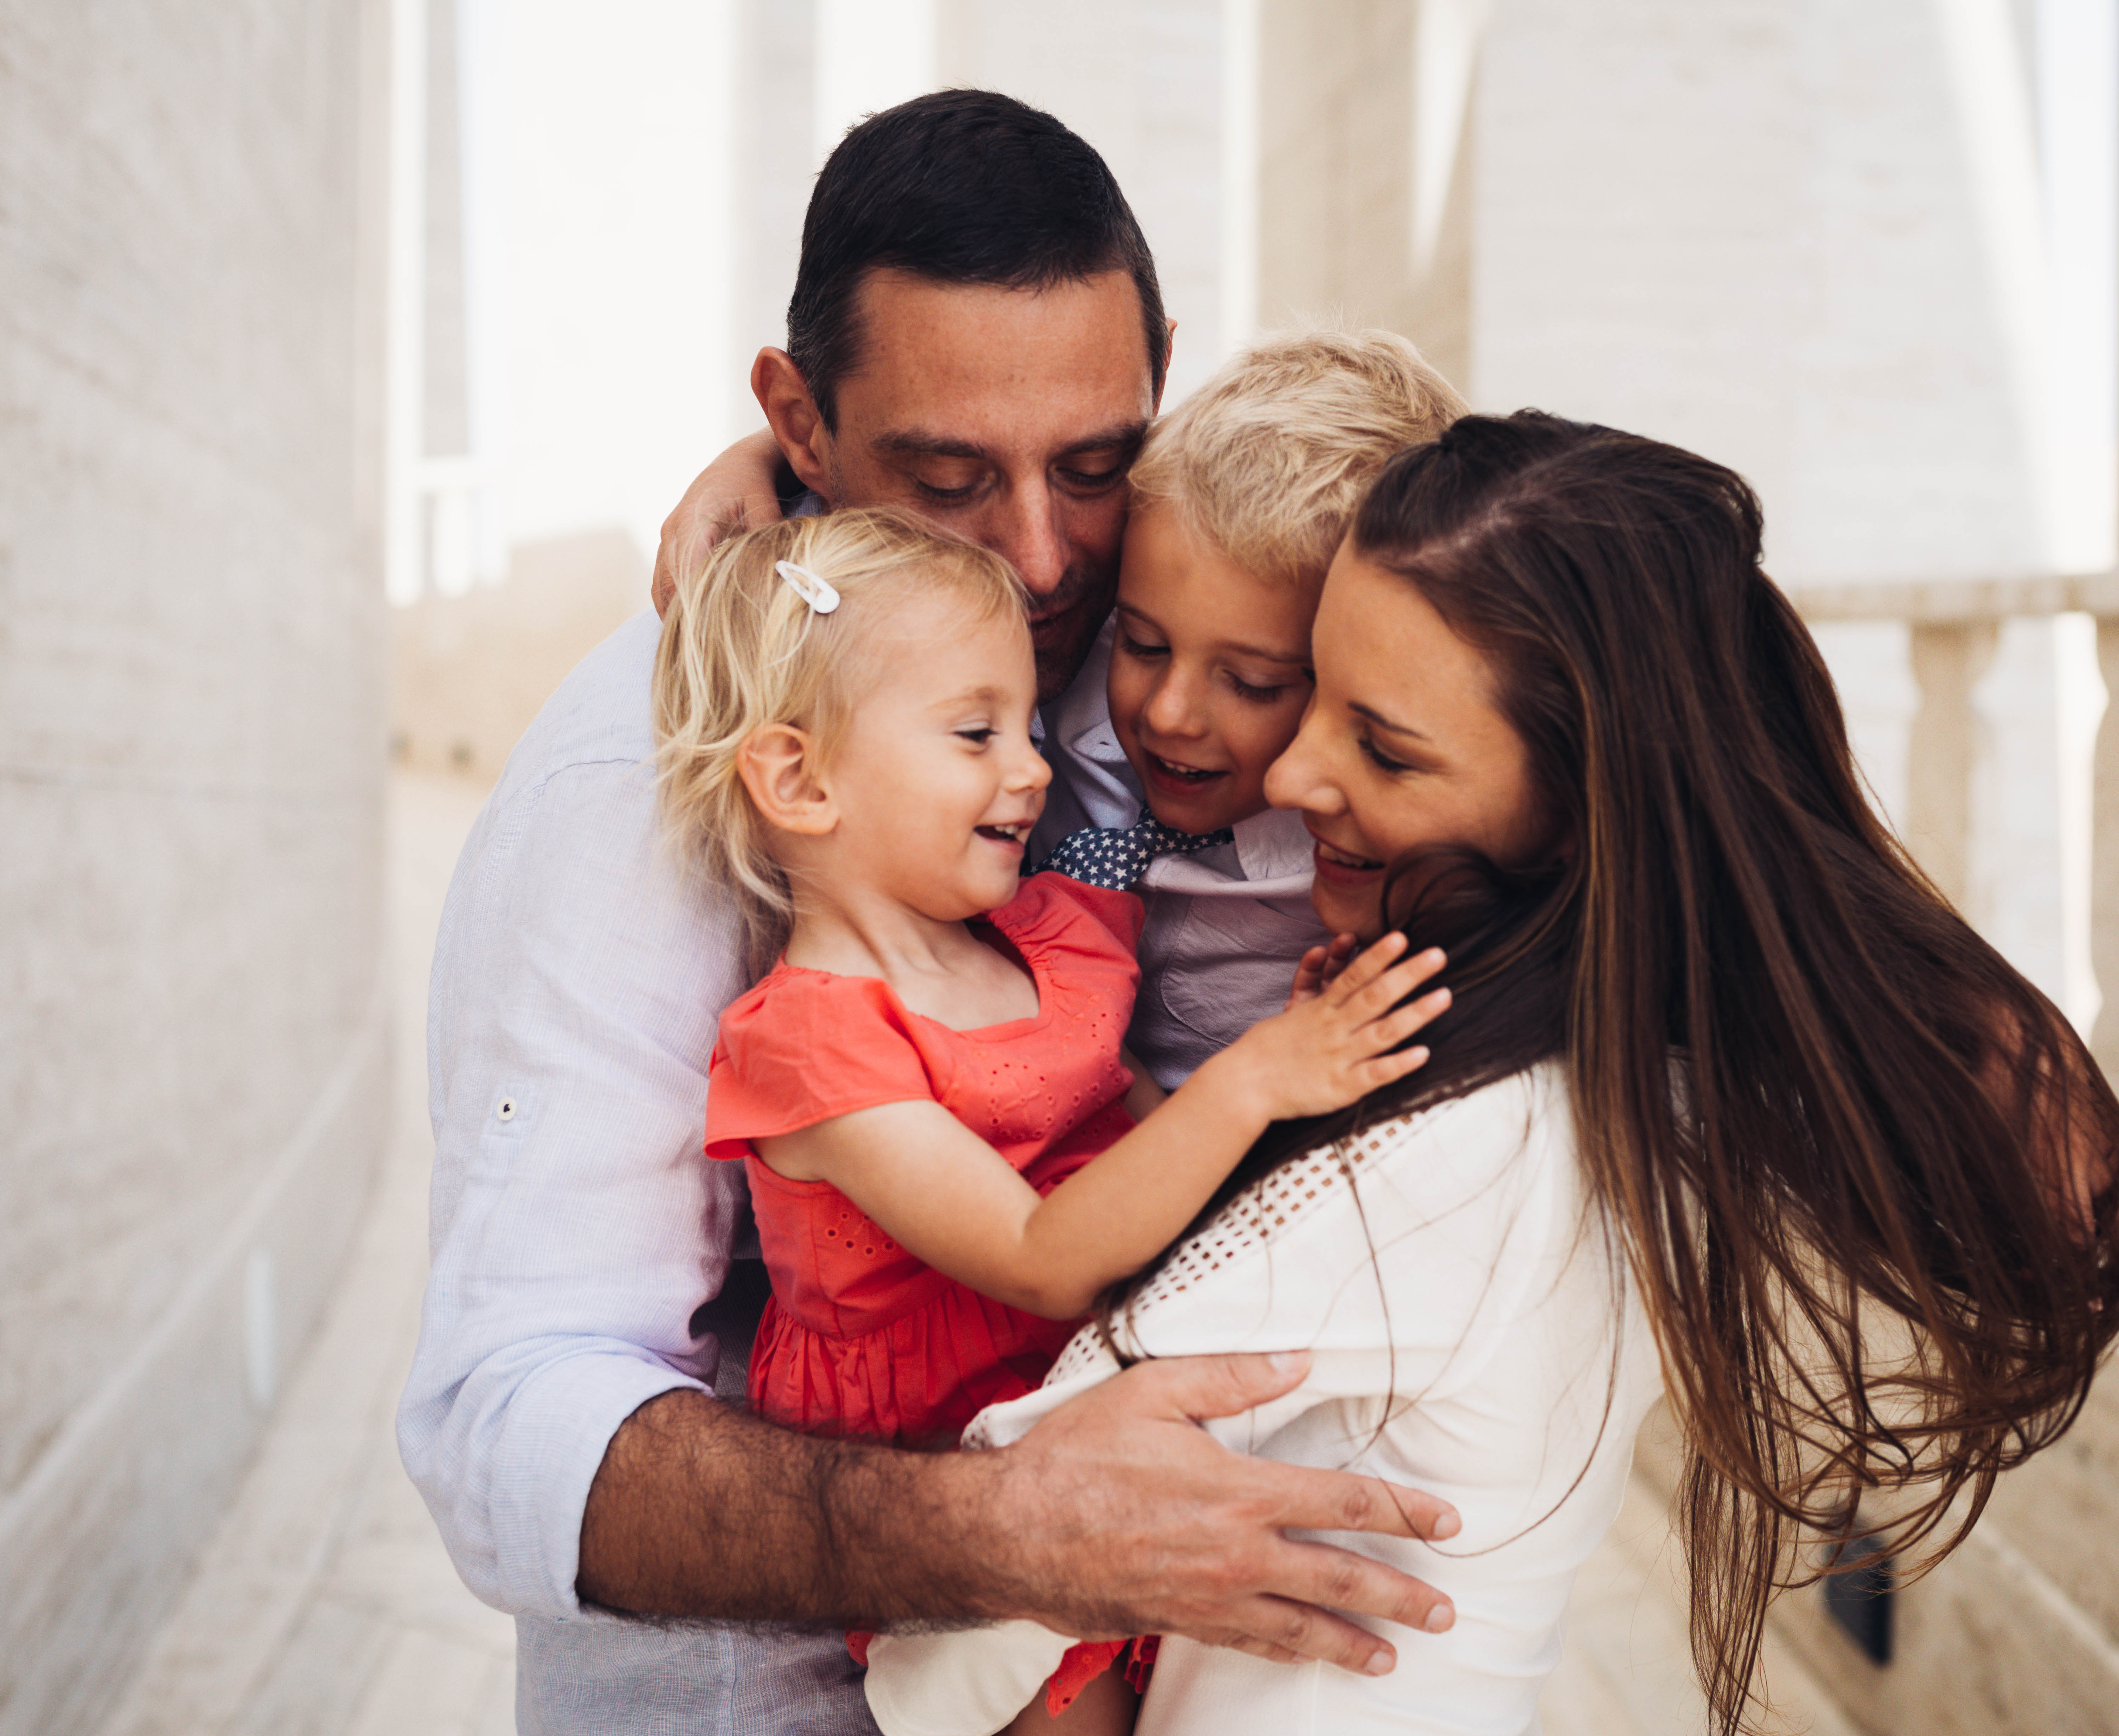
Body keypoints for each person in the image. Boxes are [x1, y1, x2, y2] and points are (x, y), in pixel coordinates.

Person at [399, 90, 1460, 1736]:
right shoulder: (633, 786)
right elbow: (507, 1417)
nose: (1039, 560)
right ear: (801, 424)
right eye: (948, 477)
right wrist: (1004, 1527)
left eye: (1095, 467)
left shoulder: (1148, 649)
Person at [860, 413, 2119, 1735]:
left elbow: (1022, 1545)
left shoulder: (1463, 1152)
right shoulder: (1651, 1082)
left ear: (1586, 807)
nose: (1294, 771)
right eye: (1315, 691)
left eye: (1384, 748)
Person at [651, 506, 1454, 1728]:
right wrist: (1256, 1079)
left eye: (1029, 728)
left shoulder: (1046, 941)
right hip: (963, 1465)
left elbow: (1147, 1148)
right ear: (802, 780)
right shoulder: (809, 1044)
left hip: (1106, 1391)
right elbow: (1040, 1255)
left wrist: (1291, 1077)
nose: (1033, 771)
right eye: (976, 733)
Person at [1036, 328, 1467, 1085]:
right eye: (1143, 644)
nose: (1168, 715)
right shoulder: (1055, 689)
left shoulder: (1367, 868)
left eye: (1253, 683)